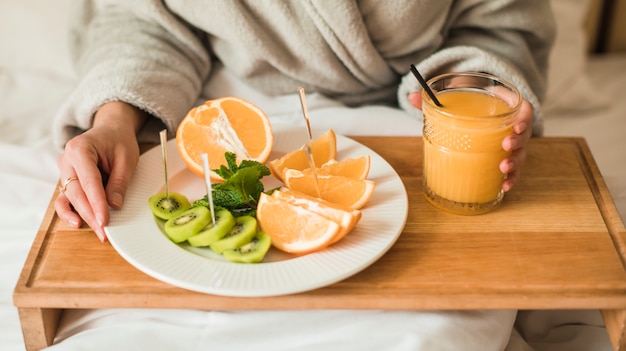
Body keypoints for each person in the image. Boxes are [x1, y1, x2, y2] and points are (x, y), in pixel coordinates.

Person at [51, 1, 554, 350]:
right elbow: (142, 21)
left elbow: (495, 24)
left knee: (434, 328)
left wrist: (470, 97)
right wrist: (116, 118)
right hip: (230, 119)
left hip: (403, 118)